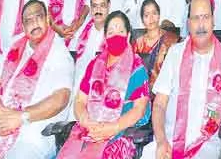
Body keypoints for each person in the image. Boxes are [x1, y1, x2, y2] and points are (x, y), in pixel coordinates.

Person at [0, 0, 73, 159]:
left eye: (38, 17)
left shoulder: (60, 54)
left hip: (31, 135)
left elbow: (61, 99)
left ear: (47, 19)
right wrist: (0, 112)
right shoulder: (15, 45)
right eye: (28, 20)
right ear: (23, 26)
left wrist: (21, 117)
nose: (34, 23)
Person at [142, 0, 221, 158]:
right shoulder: (174, 53)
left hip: (205, 144)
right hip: (169, 139)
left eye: (206, 17)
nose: (201, 24)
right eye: (196, 18)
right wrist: (161, 141)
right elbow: (159, 105)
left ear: (213, 21)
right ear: (188, 23)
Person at [57, 11, 151, 159]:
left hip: (119, 133)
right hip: (87, 129)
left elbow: (139, 109)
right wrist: (85, 120)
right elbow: (80, 100)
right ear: (105, 37)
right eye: (111, 32)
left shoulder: (136, 67)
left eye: (120, 31)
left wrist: (112, 128)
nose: (116, 36)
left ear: (127, 36)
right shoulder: (94, 64)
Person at [68, 0, 111, 111]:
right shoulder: (81, 32)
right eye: (94, 6)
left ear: (109, 6)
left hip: (102, 95)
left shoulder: (115, 33)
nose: (98, 10)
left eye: (102, 6)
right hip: (76, 90)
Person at [134, 0, 179, 97]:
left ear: (159, 15)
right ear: (142, 20)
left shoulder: (172, 39)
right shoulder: (137, 44)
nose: (151, 18)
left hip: (166, 94)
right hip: (142, 96)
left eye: (154, 13)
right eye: (146, 15)